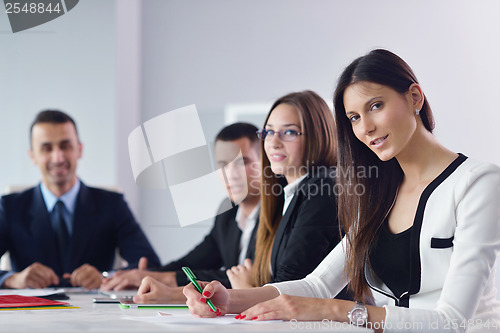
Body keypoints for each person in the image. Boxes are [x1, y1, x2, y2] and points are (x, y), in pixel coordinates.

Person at [182, 49, 500, 332]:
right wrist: (229, 299)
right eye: (354, 117)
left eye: (376, 105)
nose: (365, 128)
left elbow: (452, 322)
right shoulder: (377, 193)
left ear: (414, 97)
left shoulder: (478, 183)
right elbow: (318, 284)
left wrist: (334, 310)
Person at [0, 110, 160, 289]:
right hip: (30, 313)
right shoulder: (9, 207)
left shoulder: (112, 204)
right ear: (32, 156)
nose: (58, 157)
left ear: (79, 149)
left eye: (65, 146)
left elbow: (149, 265)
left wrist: (106, 277)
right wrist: (13, 279)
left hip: (95, 312)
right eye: (47, 148)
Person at [100, 122, 262, 299]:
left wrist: (163, 278)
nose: (231, 174)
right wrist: (146, 274)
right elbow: (193, 262)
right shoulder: (228, 213)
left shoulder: (280, 212)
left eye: (242, 162)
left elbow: (251, 279)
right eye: (223, 164)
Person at [225, 90, 347, 292]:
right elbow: (262, 274)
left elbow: (291, 283)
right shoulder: (286, 194)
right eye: (269, 132)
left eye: (289, 132)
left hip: (327, 323)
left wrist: (246, 290)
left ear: (318, 136)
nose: (273, 142)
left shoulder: (323, 188)